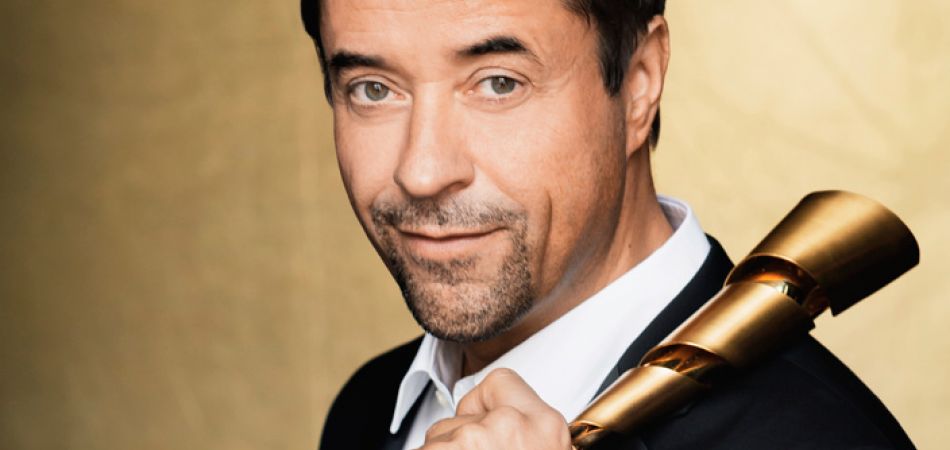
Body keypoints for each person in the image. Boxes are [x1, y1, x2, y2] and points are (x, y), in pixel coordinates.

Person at [302, 1, 915, 448]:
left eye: (498, 84)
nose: (422, 171)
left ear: (640, 82)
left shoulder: (820, 439)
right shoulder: (367, 410)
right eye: (373, 90)